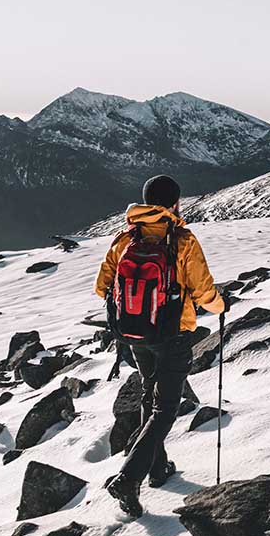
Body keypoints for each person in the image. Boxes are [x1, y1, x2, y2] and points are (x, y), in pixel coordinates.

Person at [94, 174, 227, 517]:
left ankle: (157, 468)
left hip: (134, 333)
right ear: (174, 204)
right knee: (165, 408)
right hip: (172, 334)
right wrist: (221, 306)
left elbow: (101, 286)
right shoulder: (181, 240)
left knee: (149, 396)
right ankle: (129, 477)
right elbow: (203, 292)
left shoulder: (125, 238)